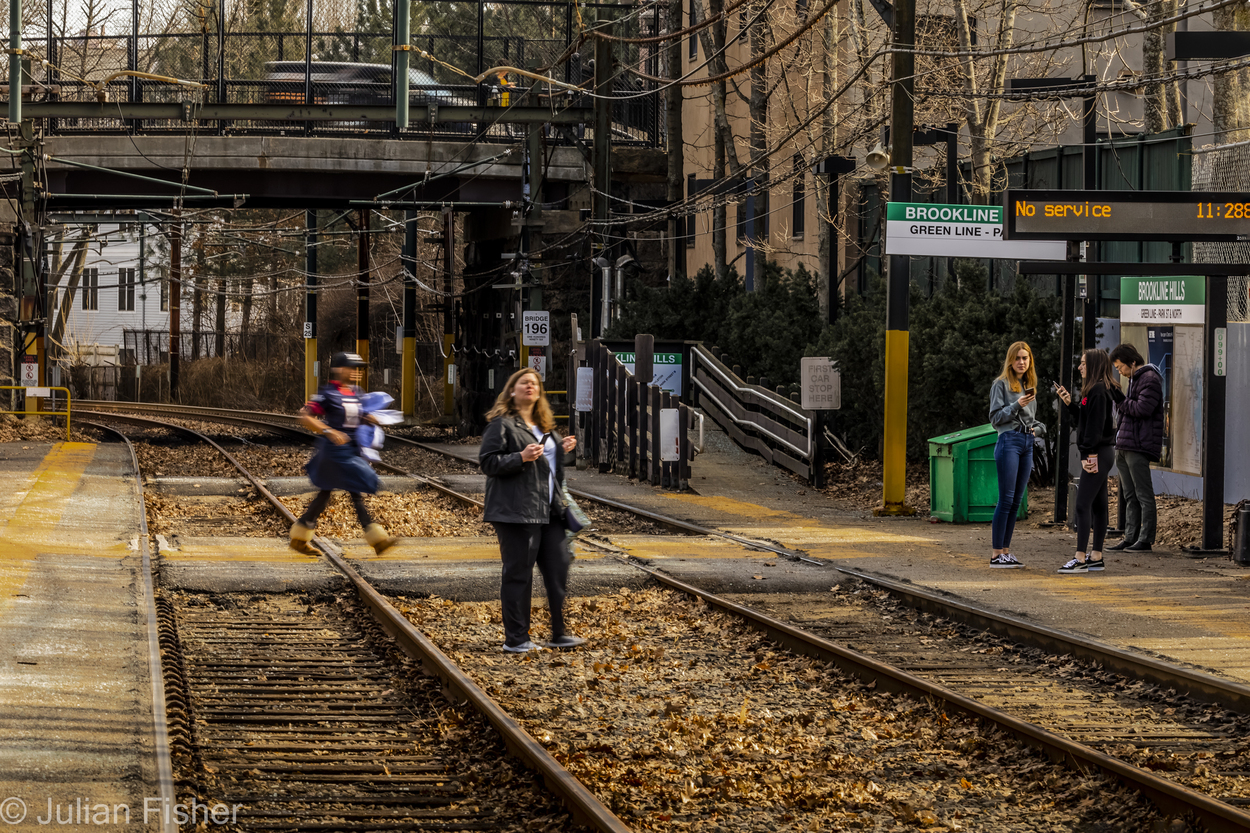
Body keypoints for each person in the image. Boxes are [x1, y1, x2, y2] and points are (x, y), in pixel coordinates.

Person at [479, 368, 583, 653]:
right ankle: (516, 639)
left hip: (549, 511)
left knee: (558, 568)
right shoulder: (502, 425)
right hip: (516, 512)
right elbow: (488, 462)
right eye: (524, 383)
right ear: (512, 391)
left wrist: (561, 450)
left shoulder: (545, 426)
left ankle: (559, 634)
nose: (530, 386)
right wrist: (520, 457)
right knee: (518, 575)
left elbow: (549, 471)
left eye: (534, 383)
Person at [289, 352, 398, 555]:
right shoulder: (328, 393)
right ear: (339, 369)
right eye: (352, 367)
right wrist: (329, 431)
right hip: (334, 453)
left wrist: (369, 418)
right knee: (354, 490)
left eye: (359, 368)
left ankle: (299, 537)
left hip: (350, 450)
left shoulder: (356, 392)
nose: (357, 372)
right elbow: (305, 416)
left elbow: (355, 417)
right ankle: (377, 540)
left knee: (328, 494)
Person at [1054, 349, 1118, 574]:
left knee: (1082, 505)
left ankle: (1079, 558)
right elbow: (1087, 417)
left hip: (1097, 452)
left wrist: (1087, 454)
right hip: (1103, 451)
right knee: (1099, 505)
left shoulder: (1098, 390)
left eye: (1083, 364)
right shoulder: (1099, 389)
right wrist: (1071, 404)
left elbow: (1094, 427)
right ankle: (1096, 555)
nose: (1080, 368)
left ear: (1093, 365)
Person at [987, 341, 1044, 568]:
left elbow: (1035, 421)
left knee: (1017, 501)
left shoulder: (1029, 385)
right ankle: (995, 554)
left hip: (1026, 442)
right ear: (1010, 361)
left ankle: (1006, 552)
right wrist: (1016, 406)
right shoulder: (1000, 385)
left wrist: (1037, 430)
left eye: (1025, 358)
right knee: (1006, 498)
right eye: (1018, 358)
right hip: (1008, 440)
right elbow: (994, 418)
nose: (1021, 362)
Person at [1105, 343, 1165, 552]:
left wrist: (1120, 400)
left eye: (1120, 367)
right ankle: (1130, 537)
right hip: (1125, 443)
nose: (1119, 371)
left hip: (1138, 445)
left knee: (1143, 494)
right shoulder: (1134, 380)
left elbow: (1142, 409)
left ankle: (1145, 538)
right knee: (1129, 494)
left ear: (1132, 362)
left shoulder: (1149, 379)